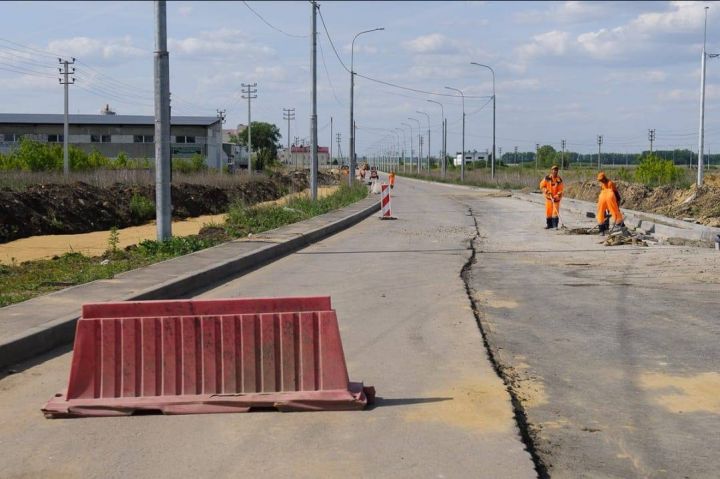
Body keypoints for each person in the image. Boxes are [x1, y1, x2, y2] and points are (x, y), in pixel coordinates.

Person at [539, 165, 564, 229]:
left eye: (556, 170)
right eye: (553, 170)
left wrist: (556, 196)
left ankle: (555, 225)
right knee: (548, 211)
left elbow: (560, 190)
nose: (554, 171)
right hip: (549, 198)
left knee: (555, 212)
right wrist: (546, 191)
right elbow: (542, 186)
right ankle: (549, 225)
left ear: (557, 171)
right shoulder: (547, 178)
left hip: (556, 199)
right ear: (551, 171)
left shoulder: (559, 180)